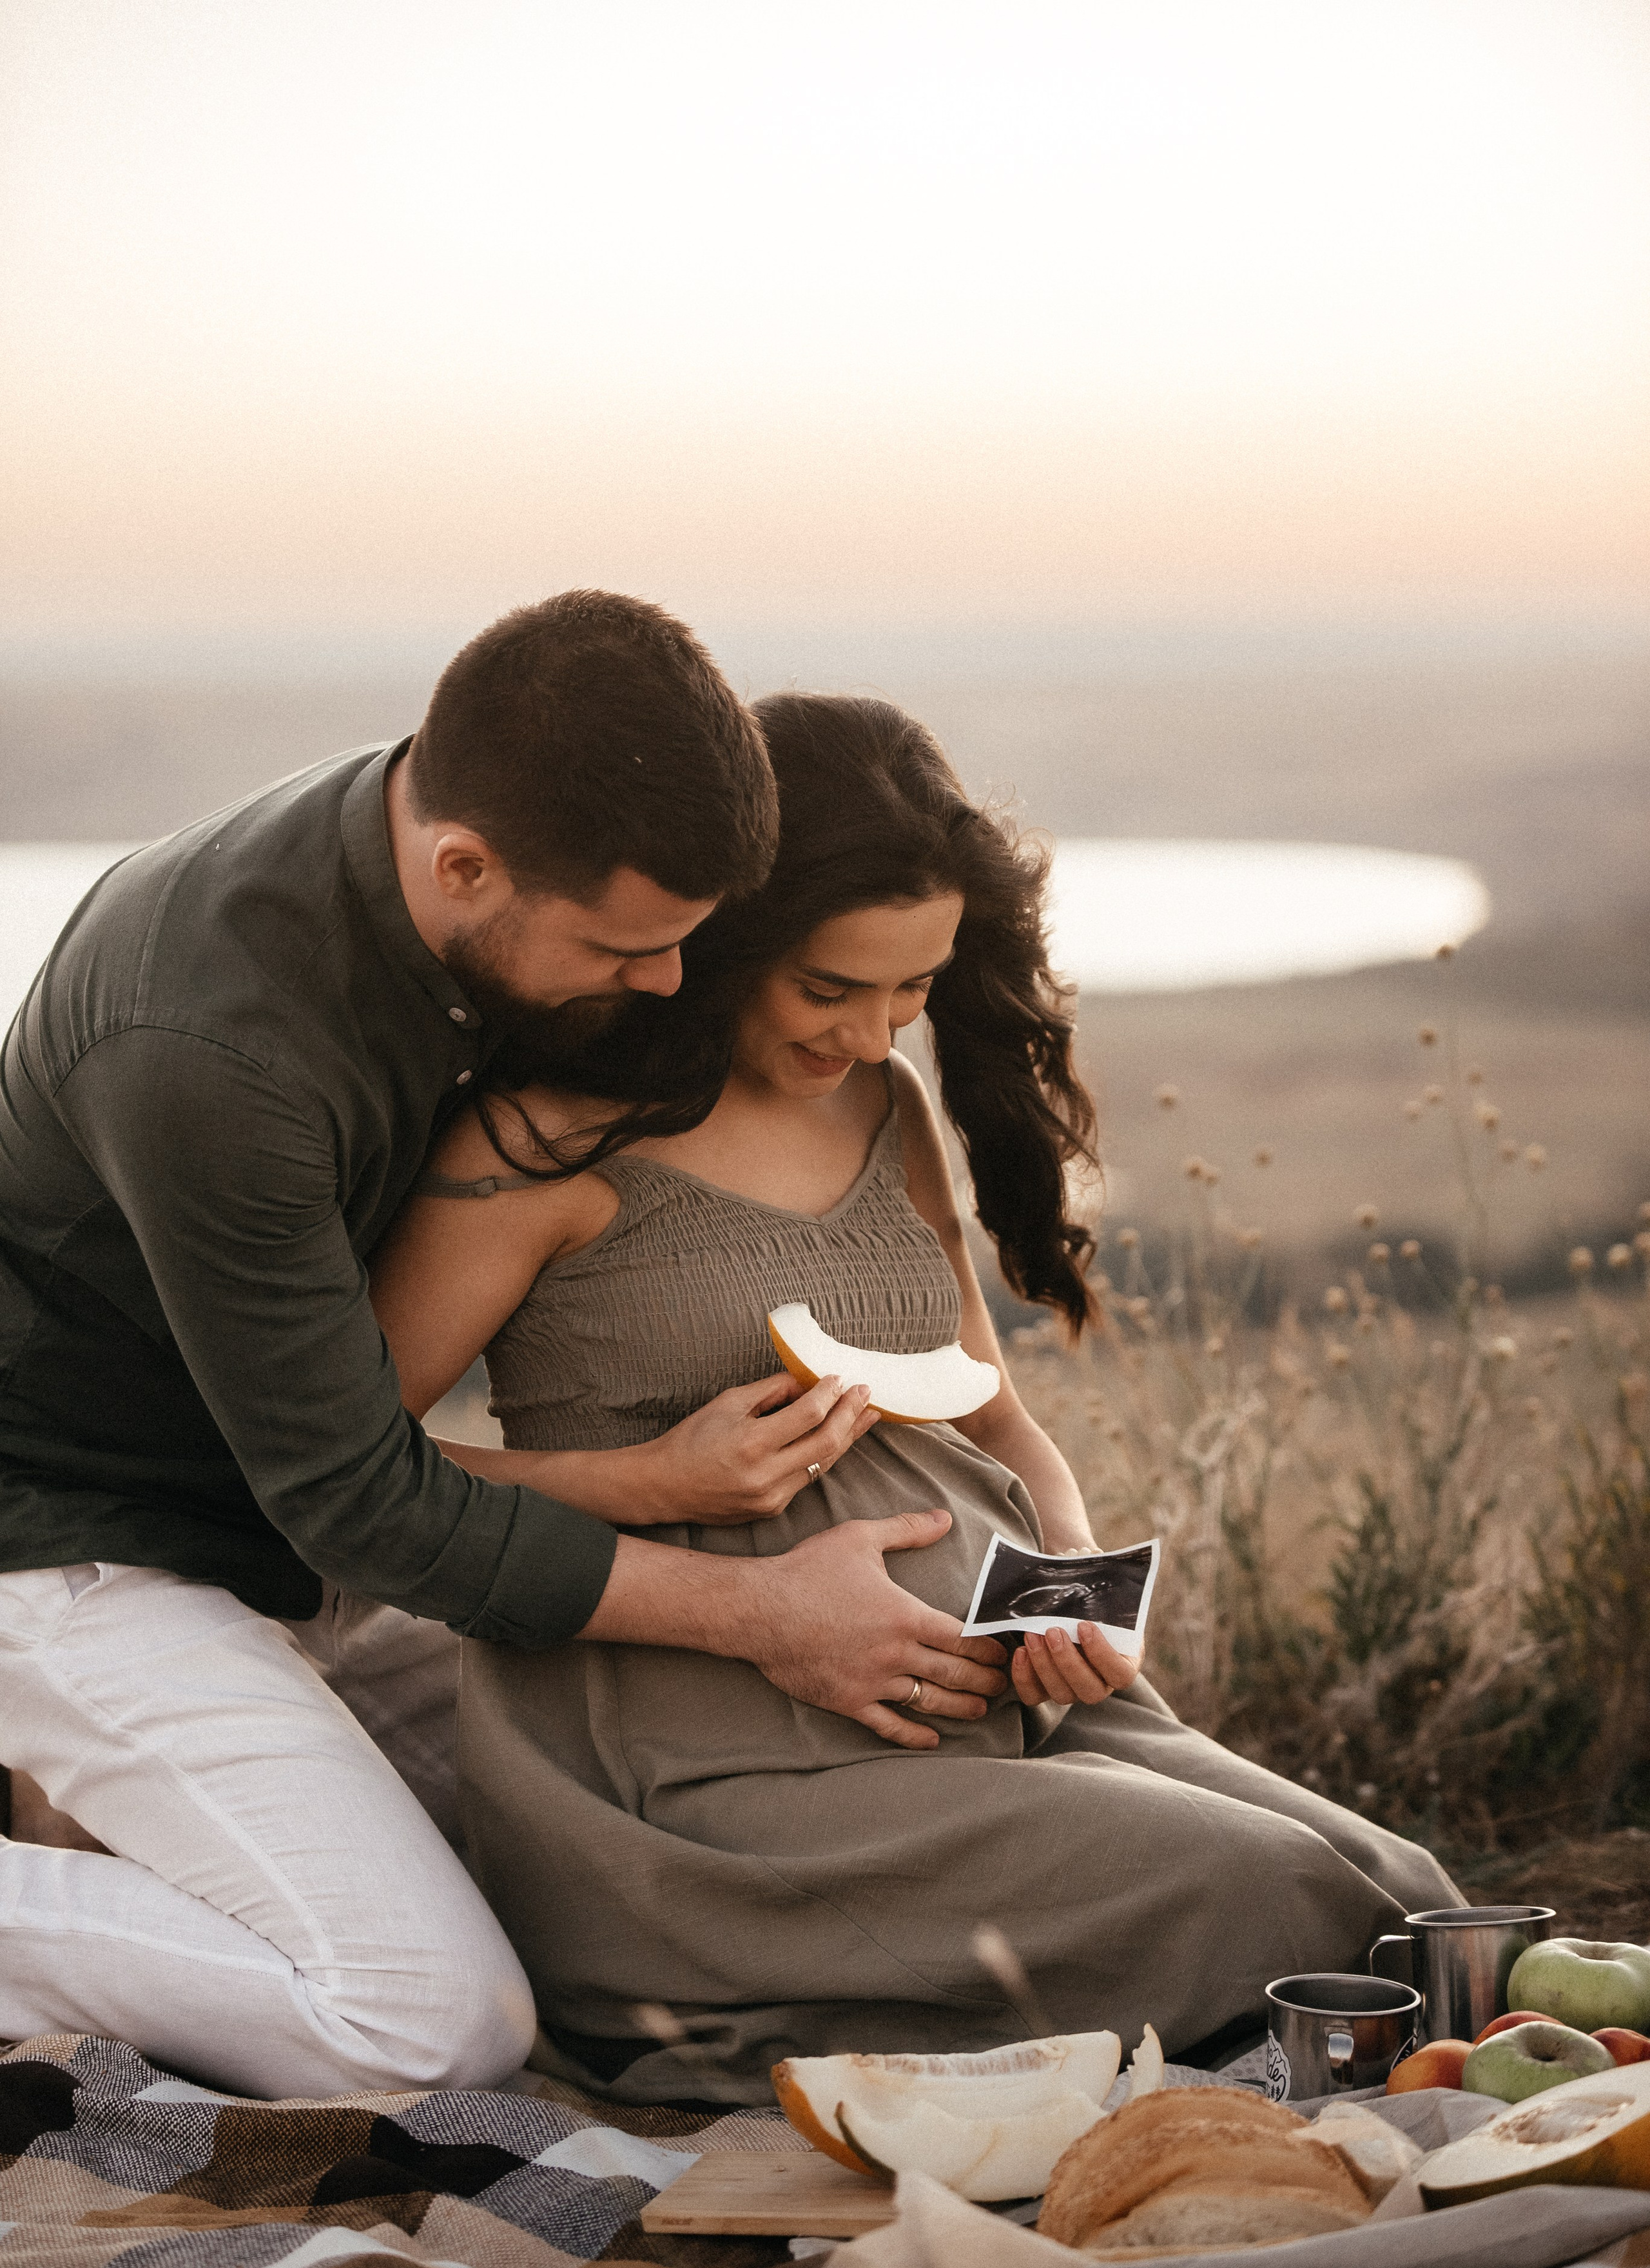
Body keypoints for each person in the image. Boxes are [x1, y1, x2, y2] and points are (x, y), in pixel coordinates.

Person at [372, 693, 1459, 2104]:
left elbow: (990, 1414)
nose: (872, 1031)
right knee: (1277, 1900)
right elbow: (355, 1469)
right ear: (719, 939)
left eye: (912, 988)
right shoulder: (541, 1145)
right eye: (828, 987)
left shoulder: (883, 1106)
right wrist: (645, 1482)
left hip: (994, 1701)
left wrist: (1076, 1586)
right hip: (703, 1771)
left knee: (1407, 1894)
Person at [0, 596, 1008, 2100]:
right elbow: (354, 1500)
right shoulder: (211, 1050)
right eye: (626, 948)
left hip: (286, 1529)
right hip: (85, 1545)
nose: (665, 985)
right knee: (431, 2019)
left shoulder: (481, 824)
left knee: (606, 1869)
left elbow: (350, 1473)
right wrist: (758, 1611)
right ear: (463, 866)